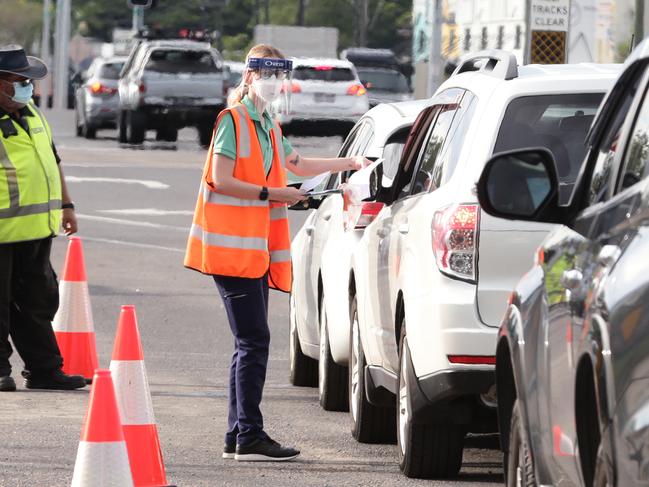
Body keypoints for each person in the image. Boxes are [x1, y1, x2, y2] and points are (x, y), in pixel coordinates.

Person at [185, 44, 371, 462]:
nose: (273, 83)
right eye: (265, 74)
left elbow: (299, 164)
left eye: (278, 76)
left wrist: (350, 164)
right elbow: (221, 178)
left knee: (247, 342)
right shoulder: (232, 121)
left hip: (252, 253)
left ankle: (239, 434)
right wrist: (274, 194)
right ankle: (248, 433)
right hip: (230, 250)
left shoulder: (266, 122)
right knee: (253, 341)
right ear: (249, 76)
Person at [0, 45, 86, 392]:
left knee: (39, 301)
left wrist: (67, 205)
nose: (27, 88)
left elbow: (53, 161)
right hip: (2, 231)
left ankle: (45, 370)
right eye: (19, 81)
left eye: (29, 82)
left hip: (36, 229)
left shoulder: (33, 114)